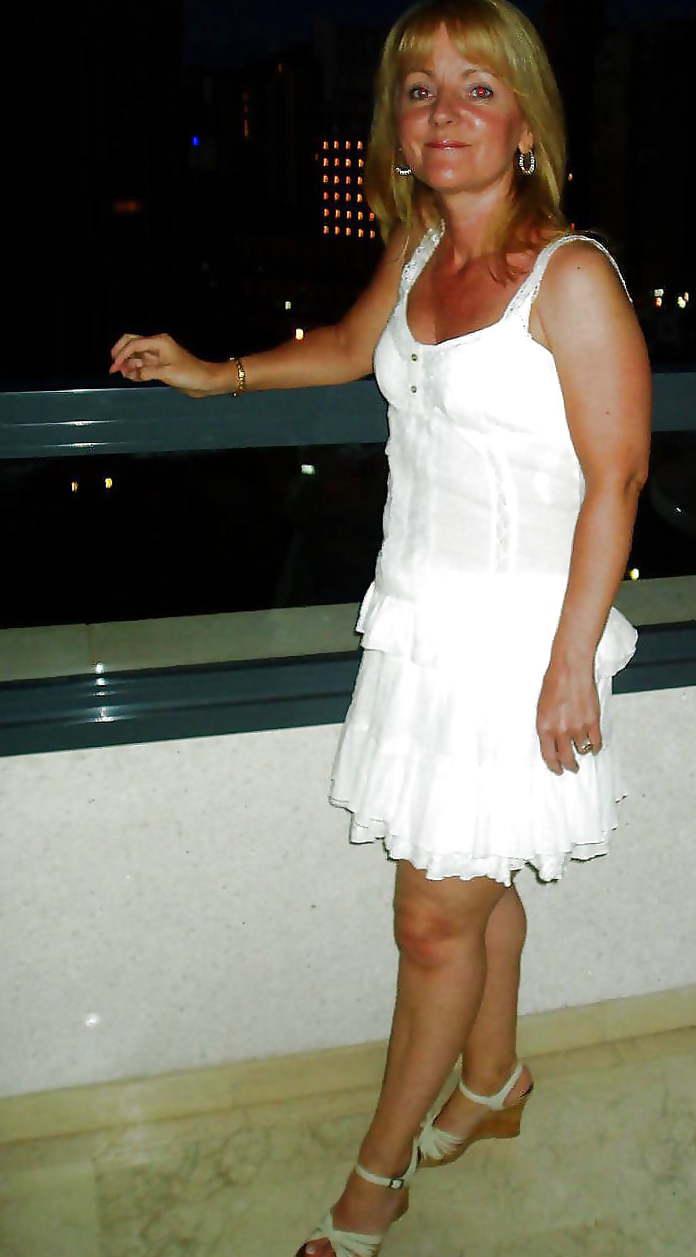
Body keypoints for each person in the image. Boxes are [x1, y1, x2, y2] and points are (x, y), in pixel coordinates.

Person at [109, 1, 652, 1252]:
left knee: (430, 919)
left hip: (522, 645)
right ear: (395, 128)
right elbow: (357, 346)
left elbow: (617, 477)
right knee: (474, 879)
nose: (443, 112)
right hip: (421, 625)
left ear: (526, 124)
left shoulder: (570, 278)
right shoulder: (417, 249)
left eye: (477, 88)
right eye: (419, 90)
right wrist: (218, 372)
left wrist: (570, 662)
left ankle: (376, 1177)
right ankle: (493, 1081)